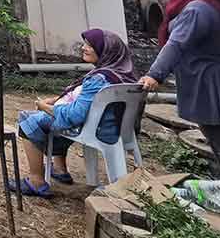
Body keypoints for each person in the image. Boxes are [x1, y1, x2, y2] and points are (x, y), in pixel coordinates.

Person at [11, 29, 136, 197]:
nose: (83, 48)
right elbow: (88, 98)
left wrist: (46, 107)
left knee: (28, 120)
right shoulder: (124, 75)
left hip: (90, 127)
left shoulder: (98, 79)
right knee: (40, 117)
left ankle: (36, 182)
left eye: (90, 46)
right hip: (113, 127)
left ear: (106, 51)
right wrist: (57, 99)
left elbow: (74, 115)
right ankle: (60, 169)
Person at [139, 0, 220, 177]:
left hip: (209, 84)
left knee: (218, 139)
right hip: (208, 79)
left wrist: (154, 74)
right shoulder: (209, 1)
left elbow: (177, 43)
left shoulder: (197, 9)